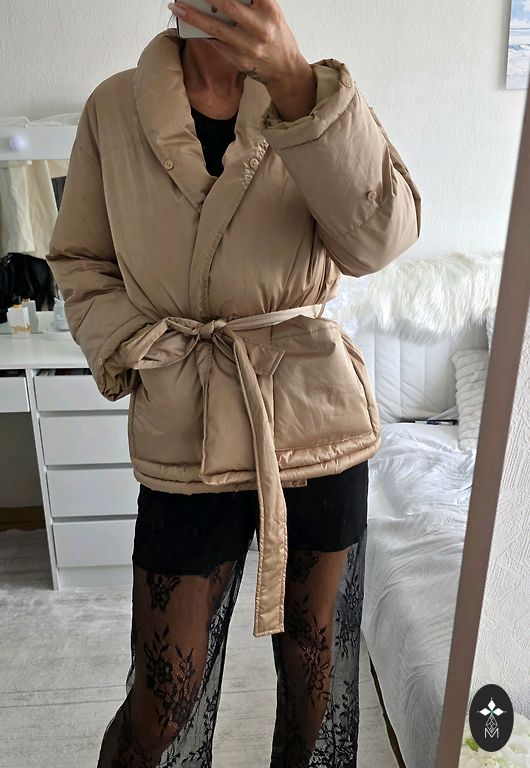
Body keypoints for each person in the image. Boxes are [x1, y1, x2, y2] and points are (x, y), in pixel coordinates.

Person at [46, 1, 421, 765]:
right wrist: (139, 348)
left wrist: (296, 86)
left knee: (314, 670)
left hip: (314, 415)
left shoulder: (313, 96)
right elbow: (81, 261)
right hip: (187, 415)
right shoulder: (114, 108)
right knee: (164, 693)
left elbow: (381, 239)